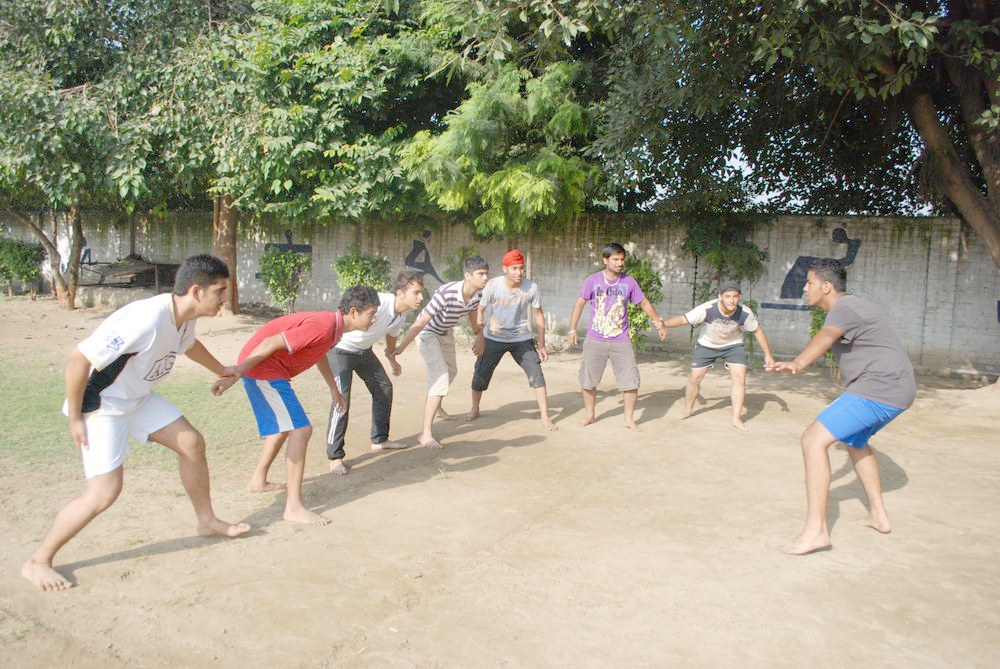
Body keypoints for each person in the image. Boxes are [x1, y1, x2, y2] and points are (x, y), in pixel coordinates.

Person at [21, 254, 251, 592]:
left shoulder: (184, 317)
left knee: (191, 442)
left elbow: (188, 345)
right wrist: (75, 418)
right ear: (196, 290)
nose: (224, 299)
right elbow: (78, 359)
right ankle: (38, 561)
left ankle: (206, 520)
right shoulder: (145, 319)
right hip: (103, 405)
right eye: (220, 291)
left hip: (138, 399)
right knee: (103, 493)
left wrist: (221, 369)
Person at [766, 259, 916, 555]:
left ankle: (817, 531)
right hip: (898, 387)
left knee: (812, 439)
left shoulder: (844, 307)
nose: (805, 288)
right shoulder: (855, 307)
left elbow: (826, 336)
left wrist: (798, 363)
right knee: (855, 441)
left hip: (881, 386)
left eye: (809, 283)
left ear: (827, 286)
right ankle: (879, 516)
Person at [213, 285, 379, 526]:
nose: (374, 320)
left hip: (270, 371)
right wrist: (236, 373)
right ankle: (293, 507)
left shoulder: (333, 330)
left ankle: (258, 481)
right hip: (263, 370)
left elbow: (317, 352)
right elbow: (271, 343)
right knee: (301, 429)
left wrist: (333, 388)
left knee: (285, 426)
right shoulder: (323, 325)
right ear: (354, 312)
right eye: (371, 314)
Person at [324, 271, 425, 475]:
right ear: (400, 293)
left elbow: (391, 337)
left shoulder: (401, 314)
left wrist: (392, 359)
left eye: (421, 293)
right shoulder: (381, 302)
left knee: (383, 388)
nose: (420, 298)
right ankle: (335, 457)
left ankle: (380, 439)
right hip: (340, 350)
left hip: (363, 351)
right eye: (416, 293)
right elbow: (346, 312)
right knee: (342, 400)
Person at [389, 256, 489, 449]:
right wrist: (402, 347)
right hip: (427, 334)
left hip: (445, 333)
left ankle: (437, 404)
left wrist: (480, 337)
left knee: (451, 372)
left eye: (486, 273)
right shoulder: (446, 292)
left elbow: (473, 316)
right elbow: (422, 320)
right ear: (467, 276)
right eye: (480, 274)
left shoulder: (477, 295)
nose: (485, 278)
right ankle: (425, 433)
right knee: (441, 376)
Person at [566, 242, 668, 431]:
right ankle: (590, 414)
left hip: (621, 340)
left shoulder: (629, 282)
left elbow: (644, 303)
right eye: (615, 259)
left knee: (630, 380)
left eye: (622, 259)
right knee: (588, 379)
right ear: (605, 260)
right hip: (595, 339)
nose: (620, 263)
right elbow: (580, 303)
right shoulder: (593, 280)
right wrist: (572, 329)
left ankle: (628, 419)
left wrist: (658, 323)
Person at [661, 280, 775, 431]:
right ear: (720, 296)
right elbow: (684, 319)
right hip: (707, 344)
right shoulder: (707, 309)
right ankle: (688, 410)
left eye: (735, 296)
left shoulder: (744, 313)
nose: (732, 300)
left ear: (739, 297)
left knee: (740, 377)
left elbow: (757, 331)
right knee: (695, 378)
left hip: (733, 345)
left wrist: (768, 355)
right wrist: (664, 324)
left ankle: (736, 419)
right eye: (728, 296)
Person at [466, 249, 557, 431]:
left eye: (521, 268)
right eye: (514, 268)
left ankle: (545, 416)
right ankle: (475, 408)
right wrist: (479, 336)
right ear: (505, 269)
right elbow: (481, 311)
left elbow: (539, 315)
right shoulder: (493, 285)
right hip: (494, 336)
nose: (519, 272)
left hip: (521, 338)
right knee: (480, 373)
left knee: (536, 374)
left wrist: (542, 344)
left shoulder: (531, 287)